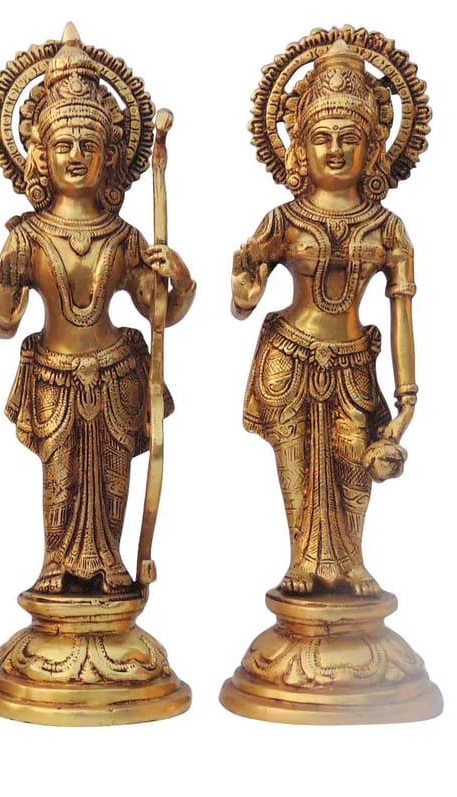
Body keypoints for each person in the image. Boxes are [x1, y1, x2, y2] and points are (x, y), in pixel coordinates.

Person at [0, 26, 195, 594]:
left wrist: (181, 279)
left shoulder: (124, 236)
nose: (76, 157)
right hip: (53, 374)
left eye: (88, 145)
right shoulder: (27, 236)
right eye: (64, 146)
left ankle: (111, 563)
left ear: (109, 157)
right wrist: (6, 282)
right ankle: (57, 565)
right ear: (41, 156)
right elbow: (3, 322)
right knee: (59, 480)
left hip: (116, 375)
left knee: (111, 481)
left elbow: (158, 311)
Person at [232, 40, 417, 596]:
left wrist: (407, 401)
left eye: (348, 139)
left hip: (355, 362)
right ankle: (301, 564)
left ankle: (350, 562)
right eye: (322, 137)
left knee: (355, 468)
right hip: (288, 357)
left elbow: (403, 312)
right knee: (296, 470)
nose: (335, 150)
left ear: (373, 148)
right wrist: (245, 292)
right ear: (300, 148)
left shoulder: (388, 228)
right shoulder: (284, 219)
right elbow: (243, 295)